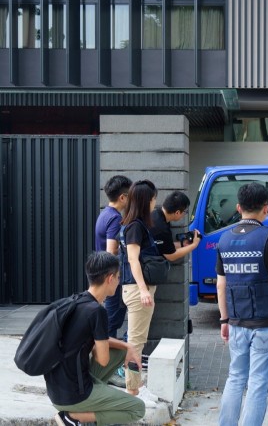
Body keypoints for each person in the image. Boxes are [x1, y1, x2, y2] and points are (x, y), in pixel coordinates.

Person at [216, 182, 268, 426]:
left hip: (238, 323)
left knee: (235, 378)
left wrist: (224, 319)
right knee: (258, 384)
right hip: (266, 324)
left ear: (239, 208)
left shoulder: (224, 239)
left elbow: (221, 285)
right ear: (266, 208)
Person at [47, 251, 145, 426]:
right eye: (118, 277)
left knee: (120, 351)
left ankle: (92, 404)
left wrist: (128, 347)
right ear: (110, 278)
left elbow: (91, 342)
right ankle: (71, 418)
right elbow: (103, 359)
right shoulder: (97, 312)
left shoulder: (77, 301)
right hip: (73, 395)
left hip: (57, 390)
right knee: (137, 408)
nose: (119, 281)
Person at [119, 180, 160, 398]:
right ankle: (132, 390)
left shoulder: (131, 224)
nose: (155, 202)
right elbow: (133, 260)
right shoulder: (135, 226)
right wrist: (144, 290)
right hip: (137, 290)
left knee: (137, 341)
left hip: (134, 289)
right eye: (154, 198)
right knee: (135, 344)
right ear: (147, 200)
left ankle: (137, 387)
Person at [94, 175, 132, 388]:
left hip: (104, 278)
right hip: (110, 279)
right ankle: (108, 371)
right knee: (111, 323)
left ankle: (104, 369)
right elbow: (111, 251)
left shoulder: (104, 214)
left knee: (109, 321)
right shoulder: (115, 218)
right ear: (122, 197)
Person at [149, 191, 202, 261]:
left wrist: (183, 244)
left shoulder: (157, 214)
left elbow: (166, 246)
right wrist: (194, 245)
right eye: (185, 212)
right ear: (177, 212)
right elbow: (171, 256)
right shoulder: (161, 228)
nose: (184, 215)